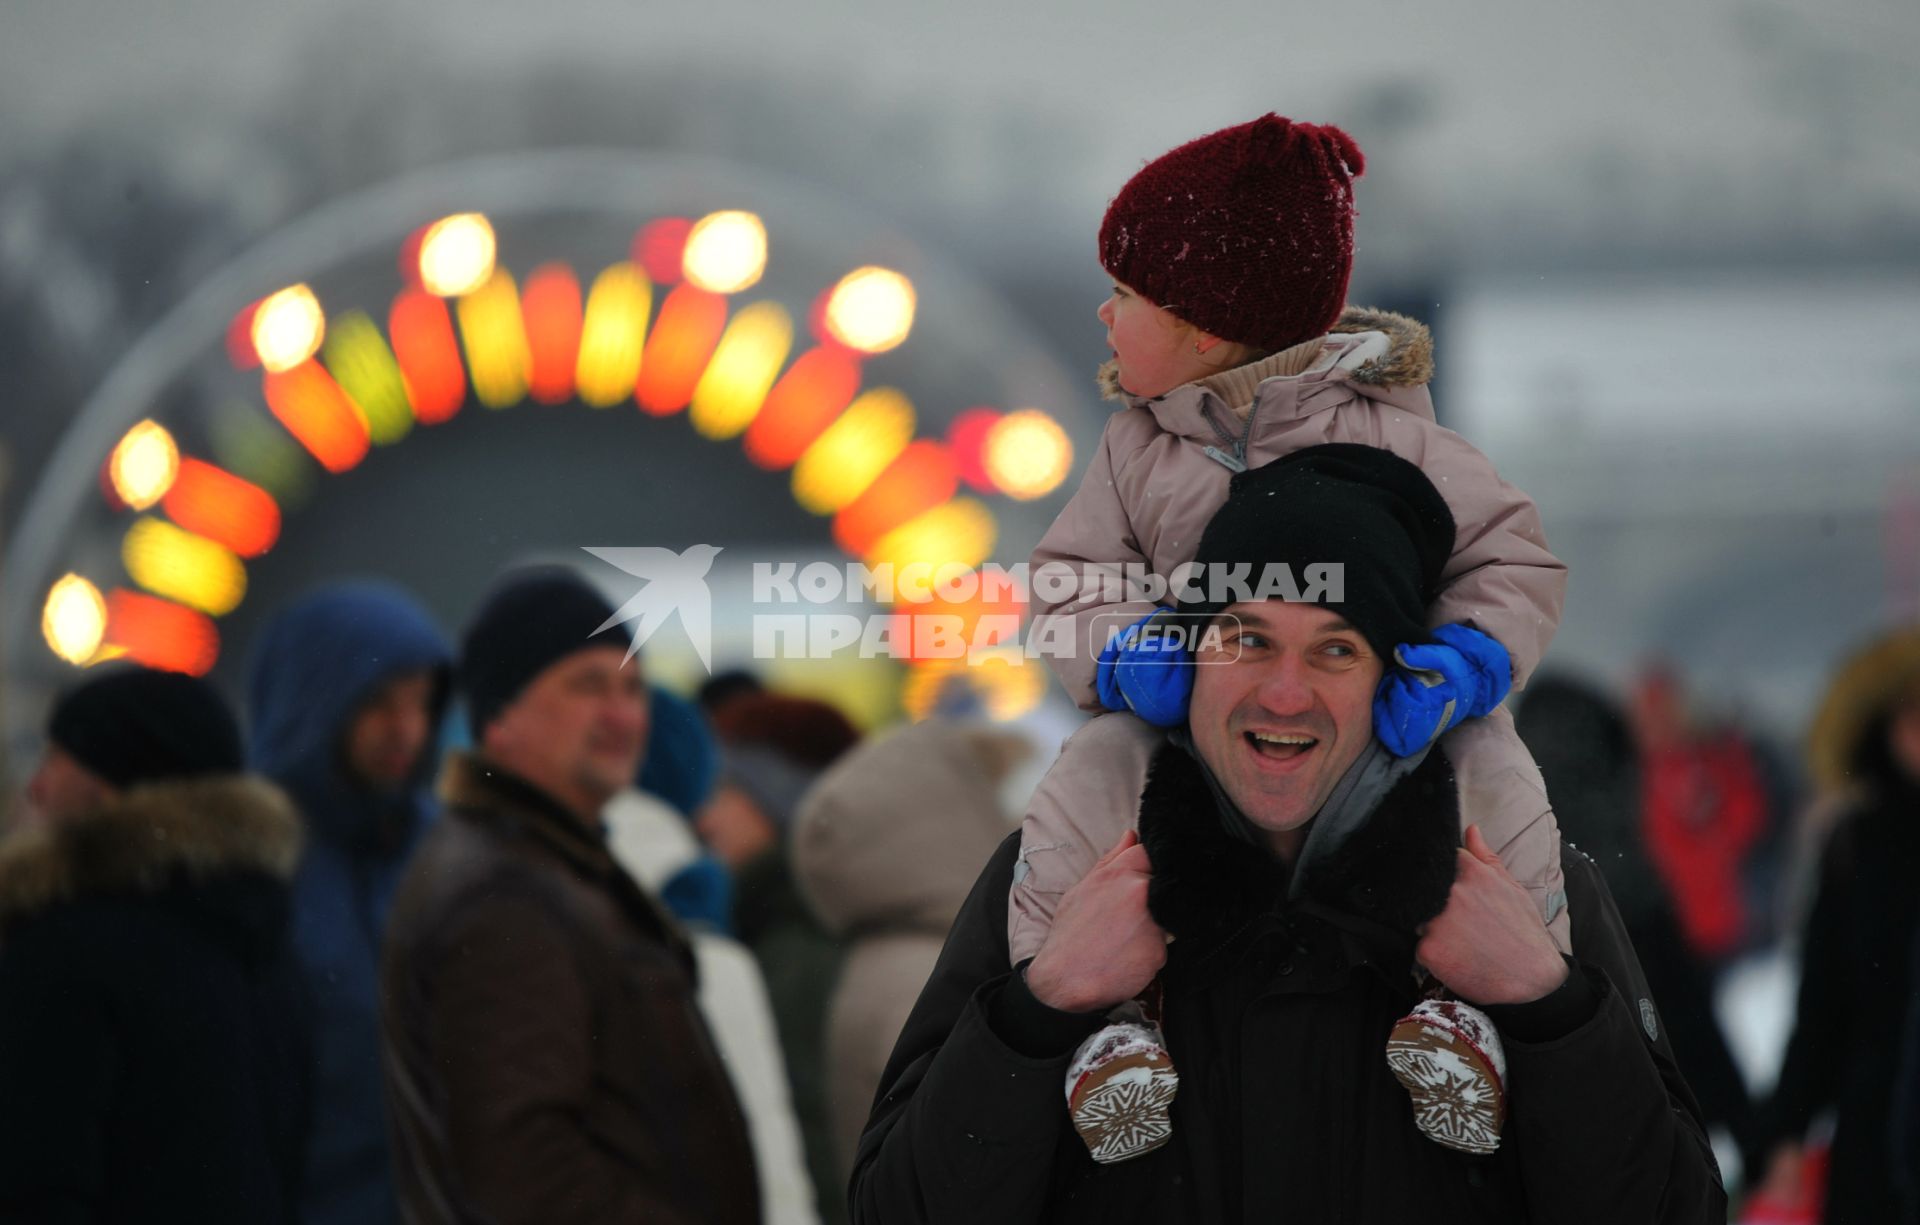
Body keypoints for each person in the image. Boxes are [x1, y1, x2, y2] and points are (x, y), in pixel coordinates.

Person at [850, 446, 1725, 1223]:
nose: (1283, 692)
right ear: (1188, 660)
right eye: (1247, 639)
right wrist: (1037, 1012)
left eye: (1336, 649)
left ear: (1397, 683)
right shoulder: (1056, 881)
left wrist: (1546, 1005)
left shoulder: (1528, 891)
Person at [1017, 113, 1571, 981]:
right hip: (1202, 738)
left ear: (1203, 326)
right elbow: (1071, 578)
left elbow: (1509, 561)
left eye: (1125, 294)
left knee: (1491, 763)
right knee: (1097, 763)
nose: (1102, 311)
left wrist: (1463, 661)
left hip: (1378, 734)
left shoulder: (1399, 441)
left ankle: (1489, 994)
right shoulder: (1137, 450)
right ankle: (1076, 997)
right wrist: (1130, 652)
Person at [381, 567, 760, 1224]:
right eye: (588, 685)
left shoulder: (547, 862)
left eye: (633, 687)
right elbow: (526, 1172)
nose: (622, 714)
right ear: (500, 715)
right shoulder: (502, 894)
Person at [0, 666, 310, 1224]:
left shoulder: (66, 951)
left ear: (109, 783)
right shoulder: (267, 948)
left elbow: (35, 1181)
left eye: (56, 758)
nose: (36, 786)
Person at [248, 580, 451, 1225]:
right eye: (378, 704)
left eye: (421, 703)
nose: (406, 730)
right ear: (318, 704)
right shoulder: (251, 868)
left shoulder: (447, 854)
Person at [1514, 674, 1765, 1182]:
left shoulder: (1539, 849)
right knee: (1689, 1047)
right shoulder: (1623, 848)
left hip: (1582, 940)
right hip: (1653, 923)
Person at [790, 718, 1029, 1179]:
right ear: (959, 816)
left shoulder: (894, 956)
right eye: (994, 796)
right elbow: (973, 1156)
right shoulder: (933, 972)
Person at [1754, 624, 1920, 1222]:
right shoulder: (1856, 845)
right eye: (1913, 715)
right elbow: (1822, 1001)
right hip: (1872, 1129)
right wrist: (1788, 1130)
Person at [702, 692, 861, 1225]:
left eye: (726, 789)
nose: (706, 818)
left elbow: (814, 1153)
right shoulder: (796, 926)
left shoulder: (793, 954)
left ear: (778, 804)